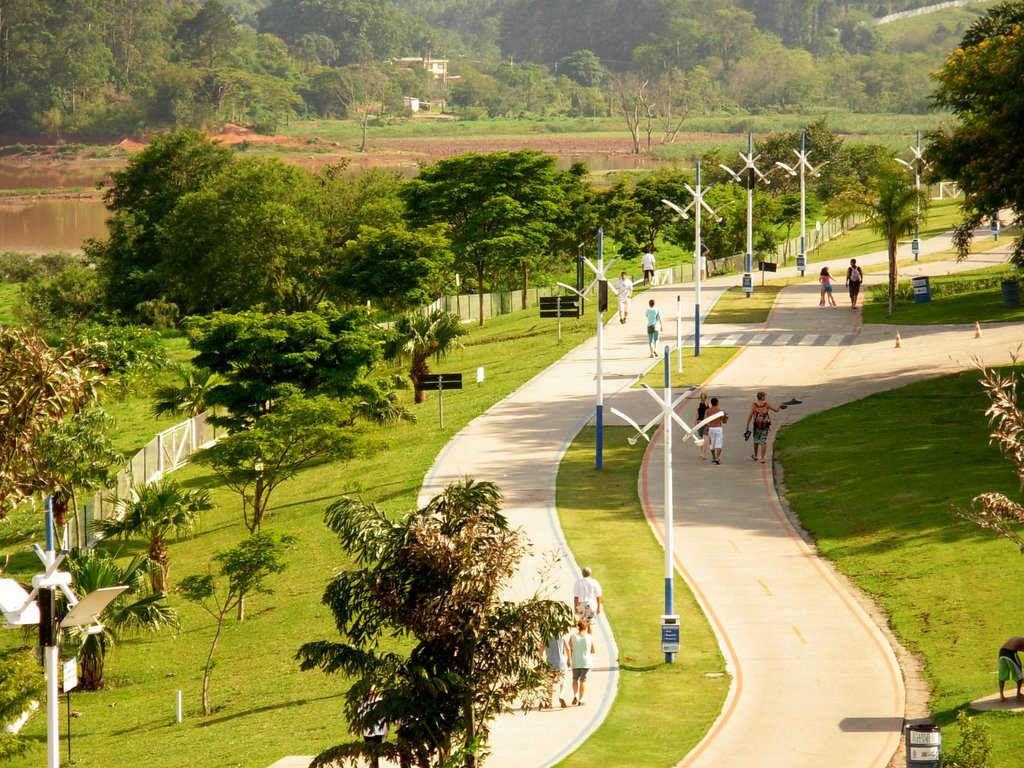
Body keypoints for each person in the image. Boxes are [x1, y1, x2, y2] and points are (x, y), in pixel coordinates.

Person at [355, 685, 388, 768]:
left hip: (379, 732)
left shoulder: (381, 703)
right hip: (367, 732)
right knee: (370, 753)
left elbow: (385, 717)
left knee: (376, 754)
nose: (374, 693)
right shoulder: (363, 705)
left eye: (375, 691)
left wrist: (386, 729)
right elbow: (359, 718)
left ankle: (374, 766)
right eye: (372, 691)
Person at [745, 391, 781, 464]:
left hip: (757, 426)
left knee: (756, 440)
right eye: (764, 396)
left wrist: (747, 425)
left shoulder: (754, 405)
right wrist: (780, 406)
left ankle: (755, 455)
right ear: (762, 397)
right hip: (765, 426)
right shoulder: (766, 404)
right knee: (763, 441)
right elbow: (776, 410)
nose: (765, 397)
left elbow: (750, 415)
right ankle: (762, 458)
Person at [569, 619, 595, 706]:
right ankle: (581, 699)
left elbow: (569, 648)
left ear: (578, 627)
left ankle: (575, 694)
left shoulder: (573, 636)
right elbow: (593, 650)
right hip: (586, 661)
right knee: (583, 680)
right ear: (586, 627)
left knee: (574, 679)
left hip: (575, 660)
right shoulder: (589, 637)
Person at [542, 633, 570, 709]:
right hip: (561, 662)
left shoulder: (545, 636)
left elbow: (541, 649)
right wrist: (569, 659)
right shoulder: (561, 636)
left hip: (549, 663)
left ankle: (550, 702)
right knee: (563, 681)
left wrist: (540, 662)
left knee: (549, 682)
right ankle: (561, 695)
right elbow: (567, 649)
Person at [998, 636, 1024, 701]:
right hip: (1010, 653)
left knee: (1002, 674)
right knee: (1019, 674)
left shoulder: (1017, 638)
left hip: (1001, 652)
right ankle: (1018, 693)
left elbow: (1020, 648)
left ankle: (1001, 695)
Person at [706, 397, 727, 465]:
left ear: (711, 403)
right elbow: (724, 421)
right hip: (718, 428)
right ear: (717, 403)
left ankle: (714, 456)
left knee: (712, 444)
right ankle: (717, 457)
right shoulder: (721, 411)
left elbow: (705, 420)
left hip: (711, 428)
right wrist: (726, 418)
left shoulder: (708, 411)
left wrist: (707, 427)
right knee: (719, 443)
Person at [696, 392, 710, 460]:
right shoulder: (707, 405)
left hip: (702, 423)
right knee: (703, 439)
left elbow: (696, 415)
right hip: (703, 422)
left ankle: (702, 453)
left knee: (702, 438)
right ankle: (703, 453)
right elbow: (696, 415)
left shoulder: (699, 405)